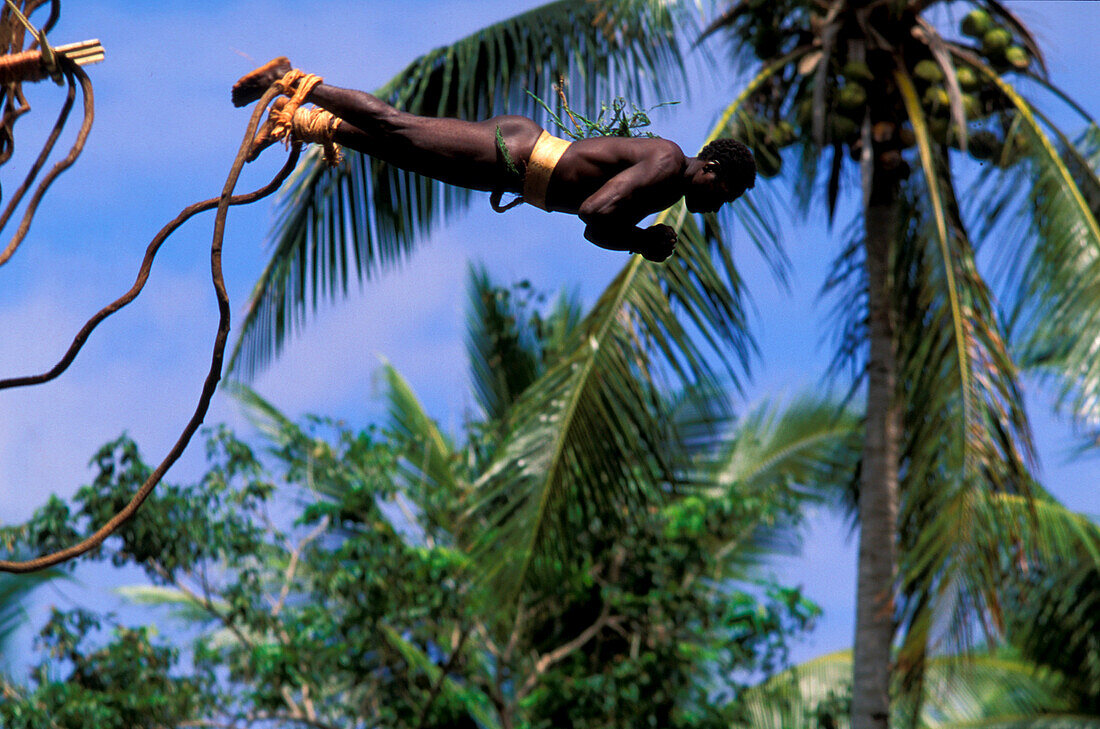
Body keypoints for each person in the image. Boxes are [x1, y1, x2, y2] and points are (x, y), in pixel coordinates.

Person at [232, 58, 755, 262]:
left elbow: (594, 229)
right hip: (515, 154)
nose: (718, 205)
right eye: (724, 194)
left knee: (398, 148)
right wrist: (641, 239)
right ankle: (293, 81)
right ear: (710, 169)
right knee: (397, 126)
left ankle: (297, 121)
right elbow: (596, 213)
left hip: (513, 170)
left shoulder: (664, 187)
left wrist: (637, 238)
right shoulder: (665, 165)